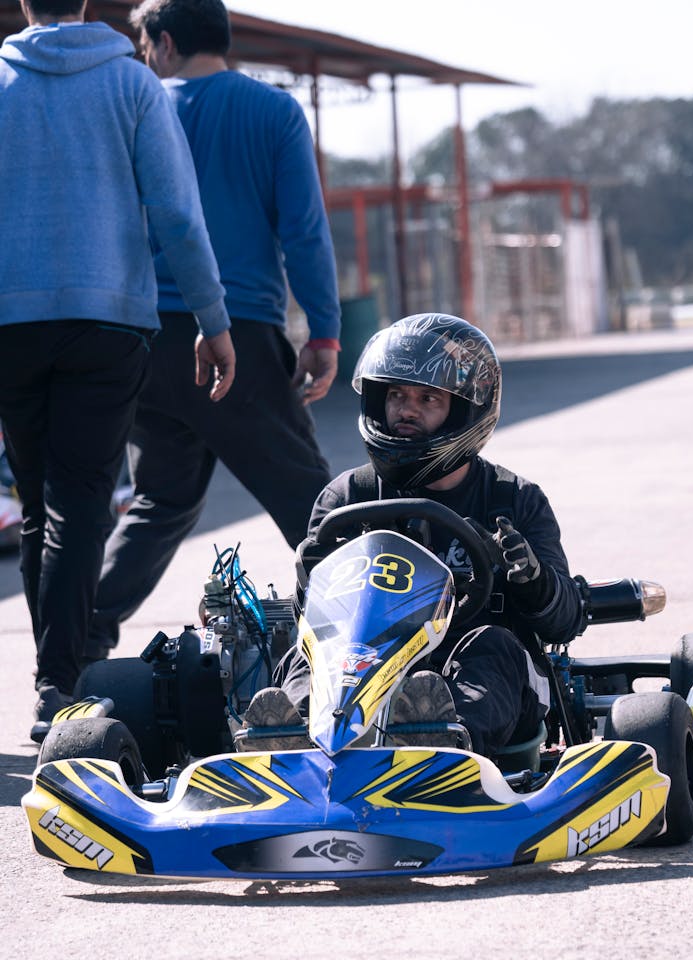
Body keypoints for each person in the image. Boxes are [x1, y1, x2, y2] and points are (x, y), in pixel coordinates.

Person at [0, 0, 235, 743]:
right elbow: (176, 212)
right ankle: (57, 685)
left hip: (10, 324)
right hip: (107, 325)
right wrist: (212, 318)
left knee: (39, 503)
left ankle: (54, 677)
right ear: (86, 4)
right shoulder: (131, 85)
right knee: (80, 504)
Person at [84, 0, 341, 664]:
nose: (145, 59)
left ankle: (80, 643)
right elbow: (305, 231)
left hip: (140, 337)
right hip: (238, 338)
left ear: (164, 43)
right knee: (313, 502)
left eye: (145, 47)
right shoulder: (273, 111)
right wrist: (324, 332)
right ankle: (369, 635)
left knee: (160, 500)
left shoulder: (133, 109)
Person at [244, 313, 584, 758]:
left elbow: (565, 622)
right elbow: (318, 620)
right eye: (397, 395)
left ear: (465, 409)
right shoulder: (347, 497)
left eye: (428, 398)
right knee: (308, 653)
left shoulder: (514, 501)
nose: (407, 409)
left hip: (471, 665)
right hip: (363, 668)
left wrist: (534, 580)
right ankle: (291, 738)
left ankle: (440, 739)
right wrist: (310, 578)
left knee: (495, 645)